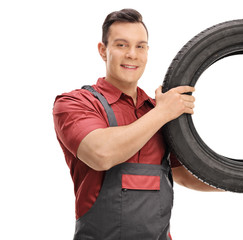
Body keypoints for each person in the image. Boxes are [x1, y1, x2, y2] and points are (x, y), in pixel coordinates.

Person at [53, 8, 220, 240]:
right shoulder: (75, 103)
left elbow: (183, 174)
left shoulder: (156, 109)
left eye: (140, 46)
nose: (132, 54)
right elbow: (101, 154)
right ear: (103, 51)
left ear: (147, 52)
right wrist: (162, 113)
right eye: (121, 45)